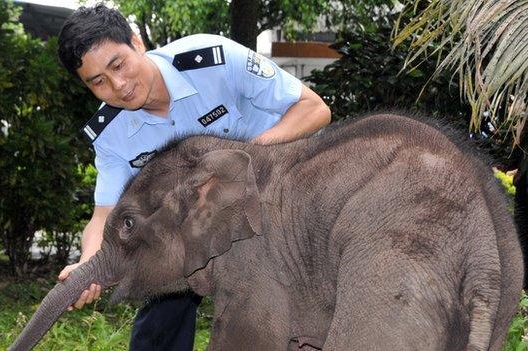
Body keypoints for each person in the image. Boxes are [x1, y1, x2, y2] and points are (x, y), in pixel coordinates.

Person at [56, 4, 331, 351]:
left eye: (118, 65)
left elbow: (315, 109)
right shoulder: (110, 133)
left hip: (275, 195)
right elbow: (103, 216)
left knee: (278, 315)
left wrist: (244, 158)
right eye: (99, 82)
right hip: (198, 221)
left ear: (136, 43)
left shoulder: (215, 61)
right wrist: (87, 265)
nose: (119, 85)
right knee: (158, 303)